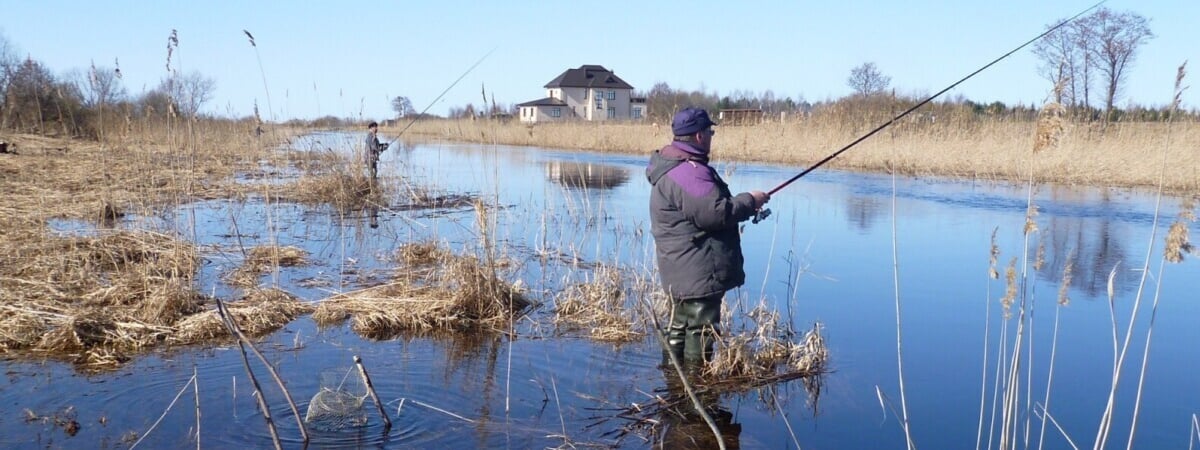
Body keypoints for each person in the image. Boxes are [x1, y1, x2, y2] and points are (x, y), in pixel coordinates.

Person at [645, 107, 769, 364]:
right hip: (698, 268)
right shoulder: (689, 172)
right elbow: (714, 214)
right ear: (699, 136)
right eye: (710, 132)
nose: (711, 136)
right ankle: (696, 382)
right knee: (701, 330)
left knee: (679, 326)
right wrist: (750, 200)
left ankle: (674, 379)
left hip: (681, 266)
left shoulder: (671, 166)